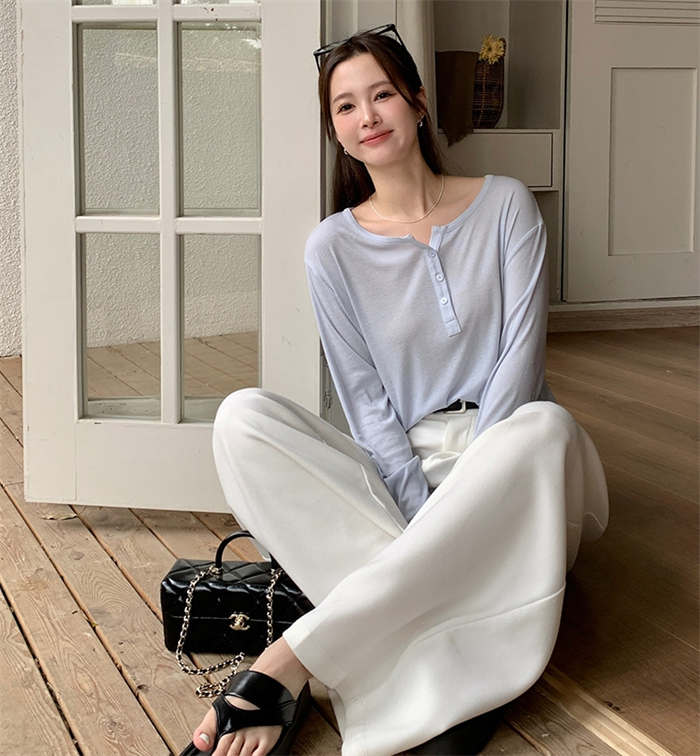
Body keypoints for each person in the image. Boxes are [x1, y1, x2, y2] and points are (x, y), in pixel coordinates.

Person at [186, 24, 610, 756]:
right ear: (336, 131)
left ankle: (291, 658)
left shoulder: (506, 205)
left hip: (518, 469)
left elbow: (519, 365)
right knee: (241, 418)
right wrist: (426, 524)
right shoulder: (331, 248)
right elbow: (365, 403)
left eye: (381, 94)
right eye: (345, 106)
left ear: (417, 102)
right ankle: (448, 617)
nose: (367, 116)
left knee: (544, 425)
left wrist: (468, 499)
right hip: (404, 474)